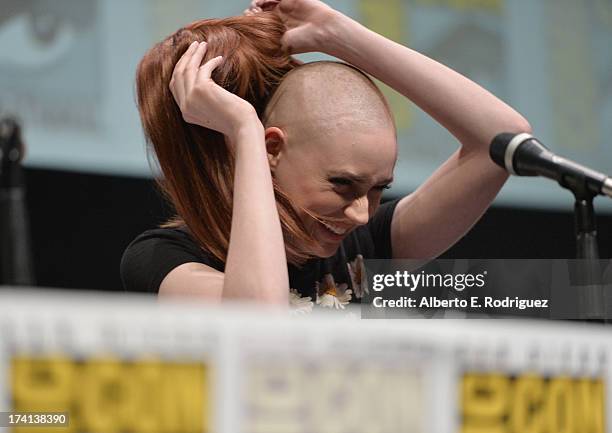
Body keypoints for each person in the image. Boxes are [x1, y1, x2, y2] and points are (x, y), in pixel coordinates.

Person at [121, 0, 531, 311]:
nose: (361, 215)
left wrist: (336, 33)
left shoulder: (367, 245)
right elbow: (258, 326)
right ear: (271, 149)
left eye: (377, 189)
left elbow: (503, 141)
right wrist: (245, 129)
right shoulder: (164, 258)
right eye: (342, 184)